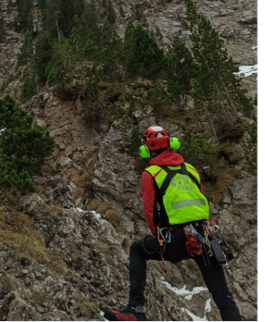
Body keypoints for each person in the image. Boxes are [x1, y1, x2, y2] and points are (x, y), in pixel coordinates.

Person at [103, 126, 242, 322]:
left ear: (147, 150)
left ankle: (136, 310)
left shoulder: (151, 173)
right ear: (171, 145)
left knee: (137, 249)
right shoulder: (191, 169)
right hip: (205, 237)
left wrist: (158, 237)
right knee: (224, 297)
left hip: (176, 239)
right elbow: (201, 198)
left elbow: (150, 211)